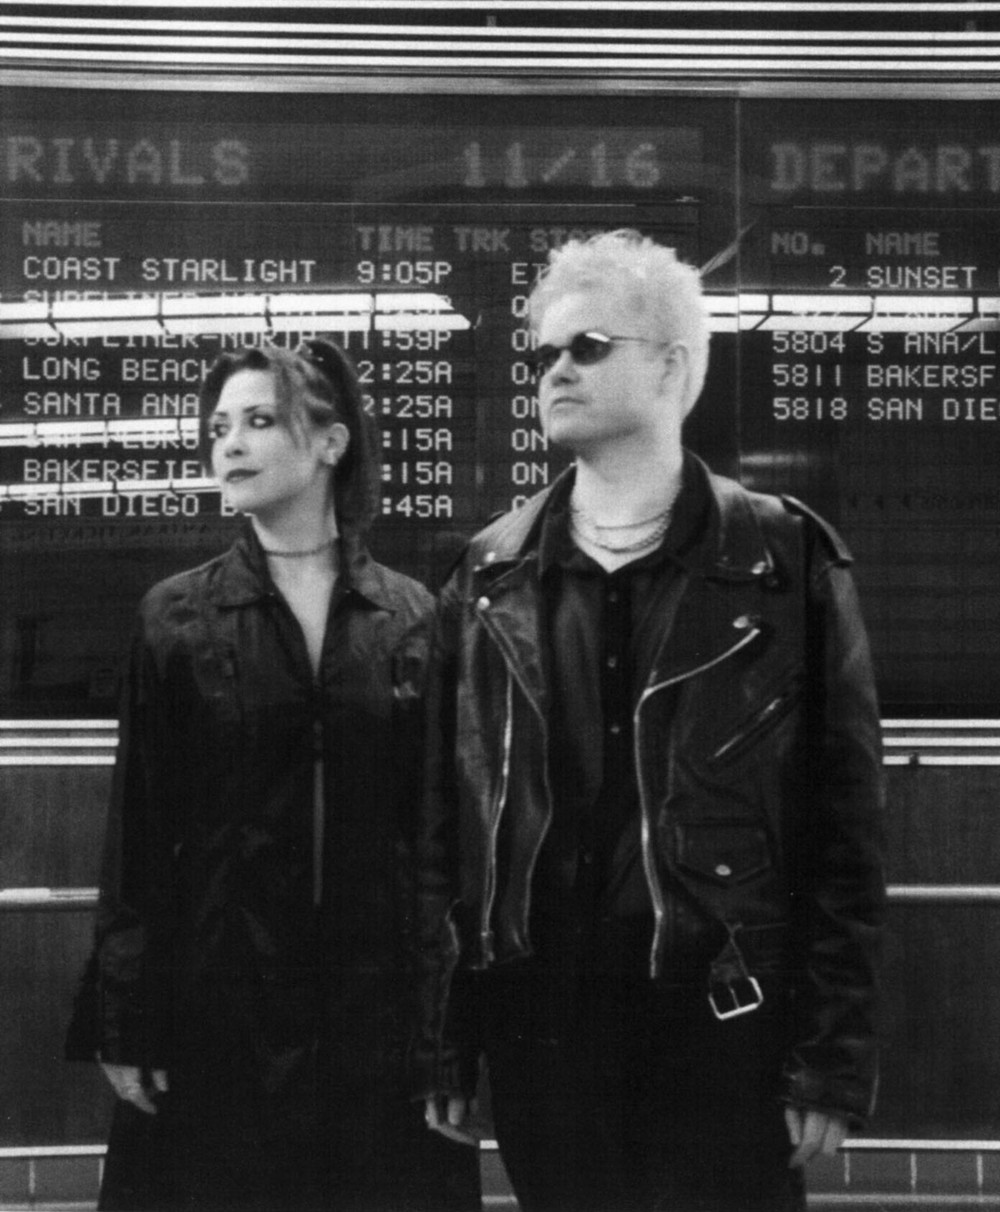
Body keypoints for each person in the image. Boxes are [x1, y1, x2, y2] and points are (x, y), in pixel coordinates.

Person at [414, 230, 885, 1212]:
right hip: (543, 1023)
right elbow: (447, 833)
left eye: (588, 347)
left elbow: (843, 829)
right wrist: (446, 1039)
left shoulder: (784, 560)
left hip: (724, 1014)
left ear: (671, 367)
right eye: (544, 354)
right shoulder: (490, 576)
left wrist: (828, 1055)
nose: (555, 371)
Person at [66, 338, 481, 1212]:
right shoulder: (178, 618)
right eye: (219, 427)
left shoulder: (413, 620)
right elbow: (138, 832)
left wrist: (447, 1032)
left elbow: (441, 844)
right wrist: (123, 1016)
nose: (231, 444)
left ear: (332, 442)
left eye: (259, 421)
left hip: (373, 1009)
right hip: (216, 1002)